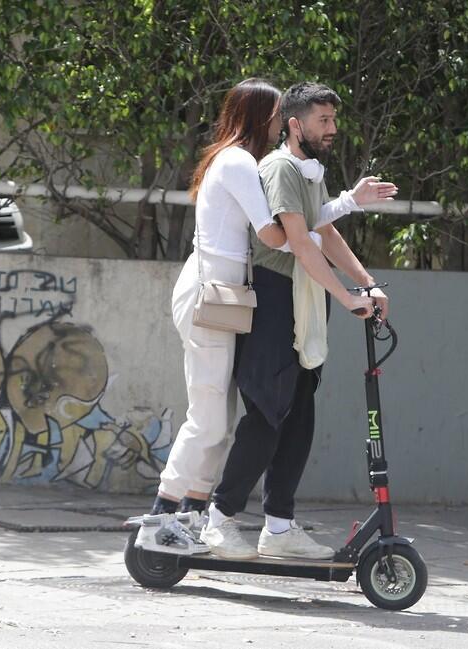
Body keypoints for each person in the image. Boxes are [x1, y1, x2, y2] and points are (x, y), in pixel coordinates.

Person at [135, 79, 394, 556]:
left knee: (232, 415)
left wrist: (345, 228)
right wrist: (344, 285)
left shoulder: (261, 165)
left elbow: (308, 226)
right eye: (277, 115)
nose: (279, 124)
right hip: (215, 295)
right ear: (266, 118)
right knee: (213, 419)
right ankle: (165, 520)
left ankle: (204, 519)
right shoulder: (243, 163)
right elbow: (281, 237)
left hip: (232, 295)